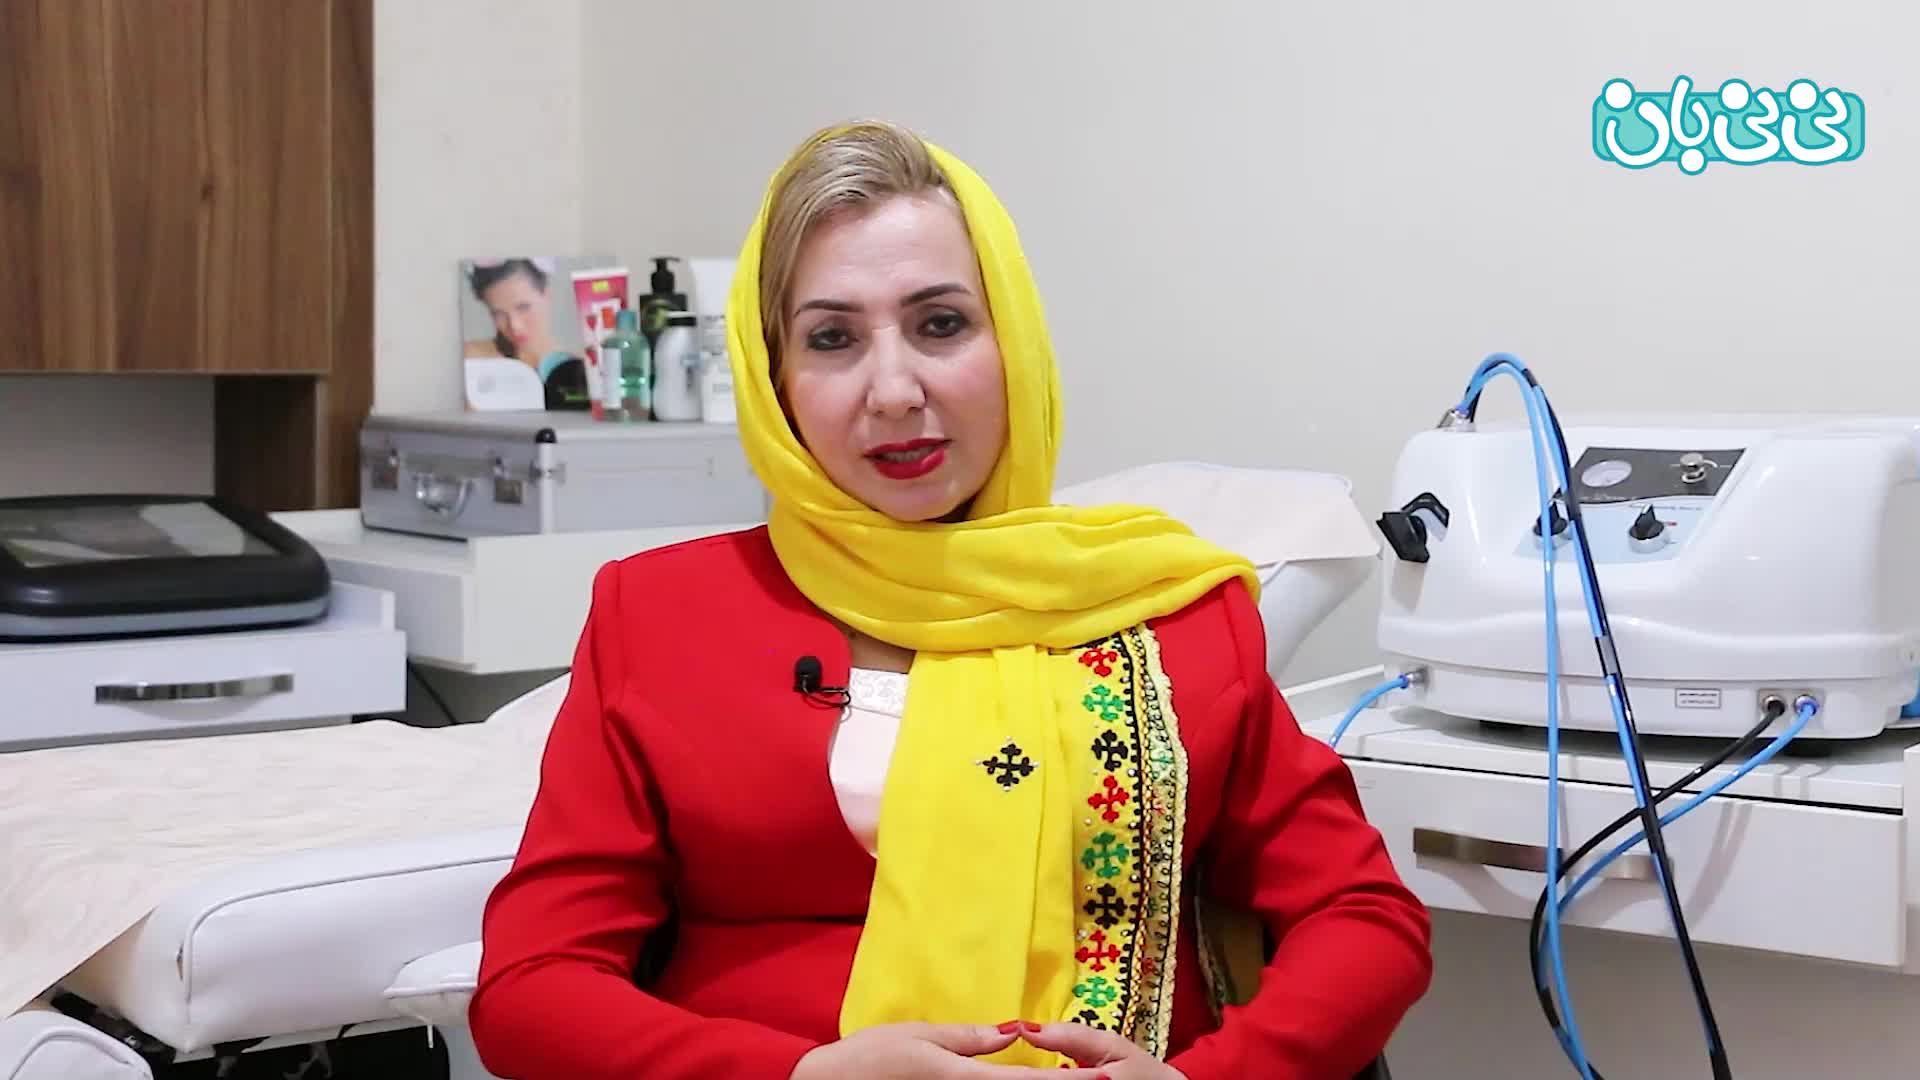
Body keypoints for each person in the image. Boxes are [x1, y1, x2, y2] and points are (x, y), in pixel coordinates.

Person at [468, 120, 1432, 1080]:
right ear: (775, 380)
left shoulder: (1166, 613)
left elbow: (1365, 917)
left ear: (1013, 343)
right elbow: (531, 986)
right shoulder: (661, 615)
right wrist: (800, 1078)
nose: (893, 390)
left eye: (940, 325)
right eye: (832, 338)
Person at [462, 257, 589, 409]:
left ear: (546, 295)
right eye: (499, 314)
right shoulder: (473, 359)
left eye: (523, 307)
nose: (515, 326)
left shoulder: (581, 368)